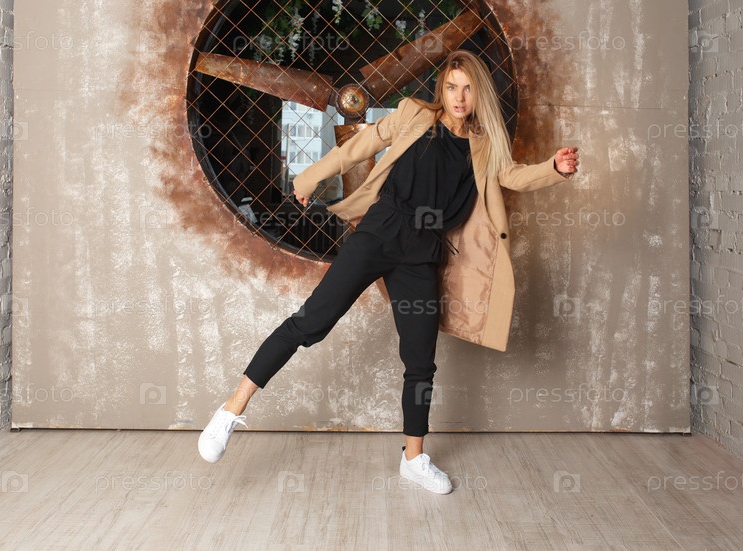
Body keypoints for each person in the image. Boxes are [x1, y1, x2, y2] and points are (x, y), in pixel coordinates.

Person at [198, 50, 579, 494]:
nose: (459, 97)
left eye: (468, 88)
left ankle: (413, 459)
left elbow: (513, 176)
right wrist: (310, 177)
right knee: (310, 322)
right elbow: (360, 145)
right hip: (380, 232)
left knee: (420, 361)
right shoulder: (415, 114)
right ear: (441, 89)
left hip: (424, 252)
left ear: (479, 95)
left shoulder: (484, 144)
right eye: (452, 87)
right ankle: (231, 409)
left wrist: (554, 169)